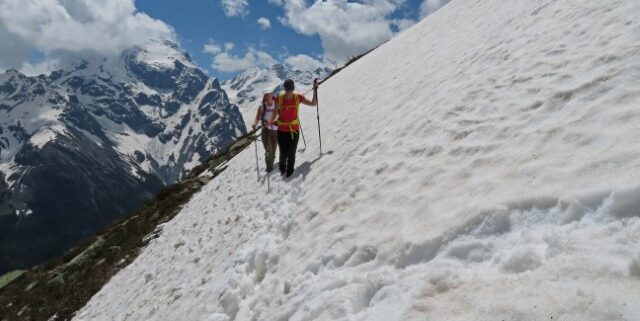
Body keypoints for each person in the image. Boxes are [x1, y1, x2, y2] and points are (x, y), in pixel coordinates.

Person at [274, 78, 318, 178]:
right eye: (288, 89)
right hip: (286, 131)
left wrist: (315, 90)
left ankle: (288, 172)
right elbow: (274, 115)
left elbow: (313, 103)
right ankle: (284, 171)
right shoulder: (281, 99)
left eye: (289, 89)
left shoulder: (296, 98)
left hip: (289, 131)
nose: (289, 91)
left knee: (289, 153)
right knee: (285, 153)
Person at [252, 92, 278, 172]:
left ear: (271, 98)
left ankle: (271, 165)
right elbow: (257, 117)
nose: (267, 100)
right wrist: (255, 124)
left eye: (268, 98)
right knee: (268, 149)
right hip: (266, 131)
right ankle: (269, 168)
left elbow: (278, 115)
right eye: (266, 98)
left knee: (273, 149)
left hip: (275, 131)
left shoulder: (276, 106)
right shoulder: (262, 107)